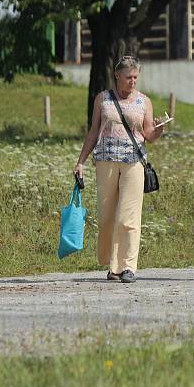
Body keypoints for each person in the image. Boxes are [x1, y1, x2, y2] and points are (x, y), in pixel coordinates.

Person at [74, 56, 166, 283]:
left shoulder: (143, 101)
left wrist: (159, 130)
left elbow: (148, 135)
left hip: (133, 161)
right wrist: (80, 162)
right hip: (105, 160)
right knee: (107, 216)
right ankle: (113, 266)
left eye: (136, 77)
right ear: (117, 76)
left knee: (129, 216)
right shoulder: (102, 99)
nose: (133, 81)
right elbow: (93, 131)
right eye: (128, 77)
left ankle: (128, 267)